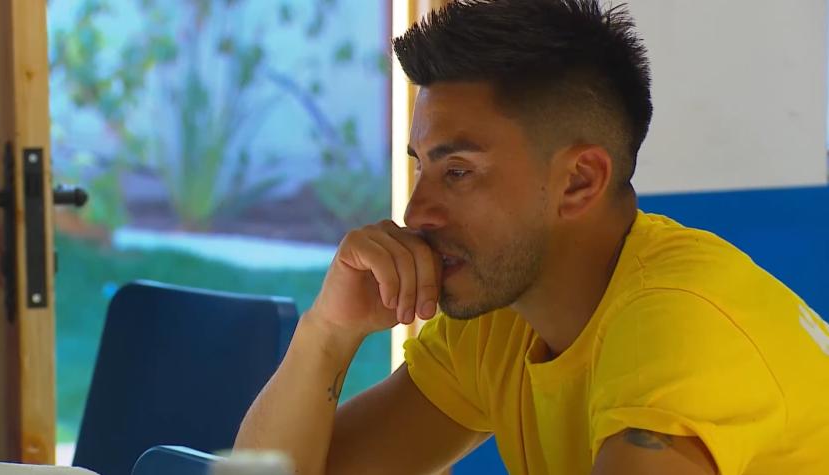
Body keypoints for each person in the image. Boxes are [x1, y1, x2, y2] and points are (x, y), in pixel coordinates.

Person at [234, 1, 829, 473]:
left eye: (458, 172)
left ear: (579, 180)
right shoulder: (503, 315)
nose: (416, 213)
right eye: (421, 168)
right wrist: (326, 334)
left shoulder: (675, 334)